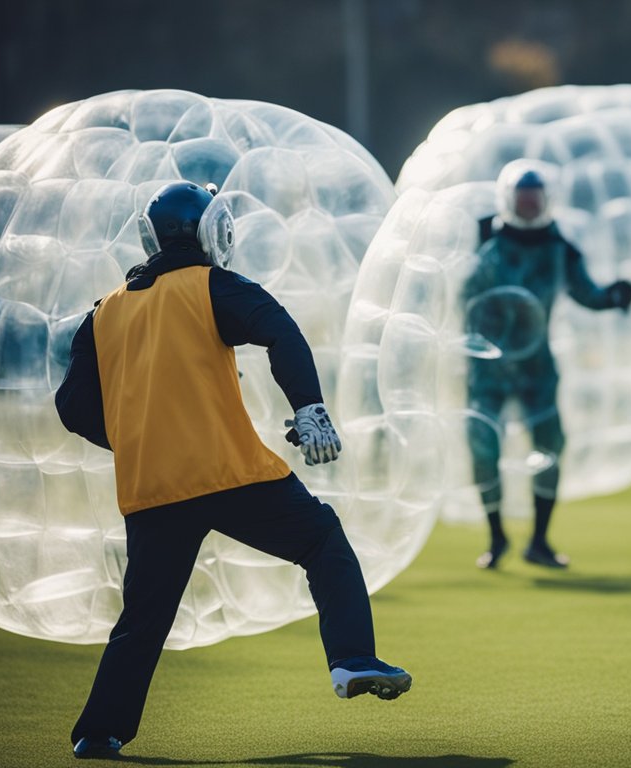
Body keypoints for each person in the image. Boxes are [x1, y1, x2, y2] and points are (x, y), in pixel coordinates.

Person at [55, 182, 411, 760]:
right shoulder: (213, 286)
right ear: (213, 232)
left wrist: (137, 438)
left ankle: (99, 732)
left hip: (151, 487)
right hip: (230, 473)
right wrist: (309, 408)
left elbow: (71, 408)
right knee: (322, 540)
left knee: (142, 619)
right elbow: (281, 330)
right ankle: (352, 659)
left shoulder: (104, 312)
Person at [463, 161, 631, 570]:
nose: (528, 206)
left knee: (549, 449)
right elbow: (458, 290)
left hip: (537, 368)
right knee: (484, 449)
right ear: (509, 200)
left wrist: (614, 296)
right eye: (522, 198)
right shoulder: (483, 238)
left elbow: (586, 292)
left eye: (534, 199)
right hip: (485, 367)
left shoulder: (559, 246)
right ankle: (497, 537)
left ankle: (539, 540)